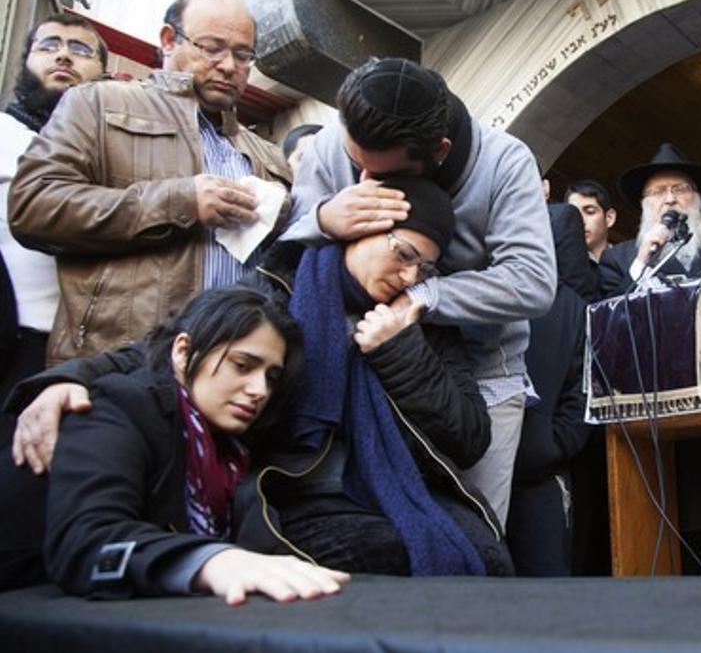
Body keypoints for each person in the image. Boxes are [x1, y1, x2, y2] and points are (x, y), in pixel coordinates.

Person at [8, 176, 512, 579]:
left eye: (424, 270)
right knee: (383, 556)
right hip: (288, 492)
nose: (409, 278)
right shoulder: (280, 285)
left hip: (400, 492)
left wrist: (400, 351)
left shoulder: (424, 323)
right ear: (359, 228)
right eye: (402, 254)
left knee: (484, 557)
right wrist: (64, 380)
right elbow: (175, 349)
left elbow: (468, 437)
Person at [282, 58, 556, 526]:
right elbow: (289, 241)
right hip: (358, 363)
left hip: (483, 375)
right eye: (355, 164)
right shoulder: (332, 143)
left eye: (379, 172)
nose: (362, 179)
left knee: (475, 533)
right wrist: (325, 217)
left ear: (439, 150)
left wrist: (422, 296)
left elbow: (532, 280)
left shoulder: (505, 162)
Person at [8, 0, 292, 367]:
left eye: (243, 55)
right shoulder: (99, 103)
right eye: (211, 47)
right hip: (117, 366)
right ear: (168, 41)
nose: (228, 66)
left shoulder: (268, 155)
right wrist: (181, 202)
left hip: (225, 377)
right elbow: (33, 207)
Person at [41, 285, 349, 603]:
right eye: (242, 365)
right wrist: (211, 560)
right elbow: (84, 542)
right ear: (183, 351)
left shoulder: (233, 452)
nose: (260, 390)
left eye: (272, 377)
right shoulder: (121, 409)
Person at [1, 13, 108, 437]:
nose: (63, 55)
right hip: (15, 337)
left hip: (83, 359)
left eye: (81, 49)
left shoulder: (114, 154)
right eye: (49, 45)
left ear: (103, 71)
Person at [507, 204, 597, 576]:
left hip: (539, 476)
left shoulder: (573, 307)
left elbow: (586, 391)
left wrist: (552, 447)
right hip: (476, 467)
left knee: (545, 583)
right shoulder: (490, 288)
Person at [598, 143, 701, 296]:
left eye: (680, 189)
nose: (670, 199)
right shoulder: (617, 259)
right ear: (644, 203)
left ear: (697, 199)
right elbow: (608, 315)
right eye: (658, 191)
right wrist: (641, 263)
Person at [565, 179, 617, 264]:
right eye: (572, 213)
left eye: (590, 212)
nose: (580, 220)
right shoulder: (555, 260)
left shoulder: (625, 264)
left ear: (609, 218)